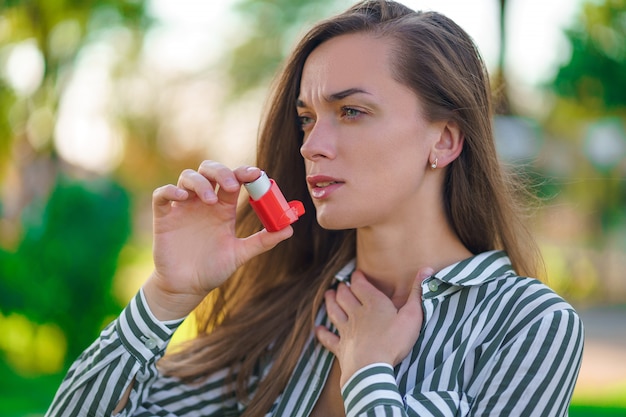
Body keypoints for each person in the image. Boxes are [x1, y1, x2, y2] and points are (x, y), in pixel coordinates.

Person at [46, 1, 584, 416]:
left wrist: (368, 375)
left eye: (351, 111)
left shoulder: (528, 326)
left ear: (443, 141)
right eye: (306, 117)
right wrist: (167, 296)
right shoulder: (289, 312)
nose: (311, 144)